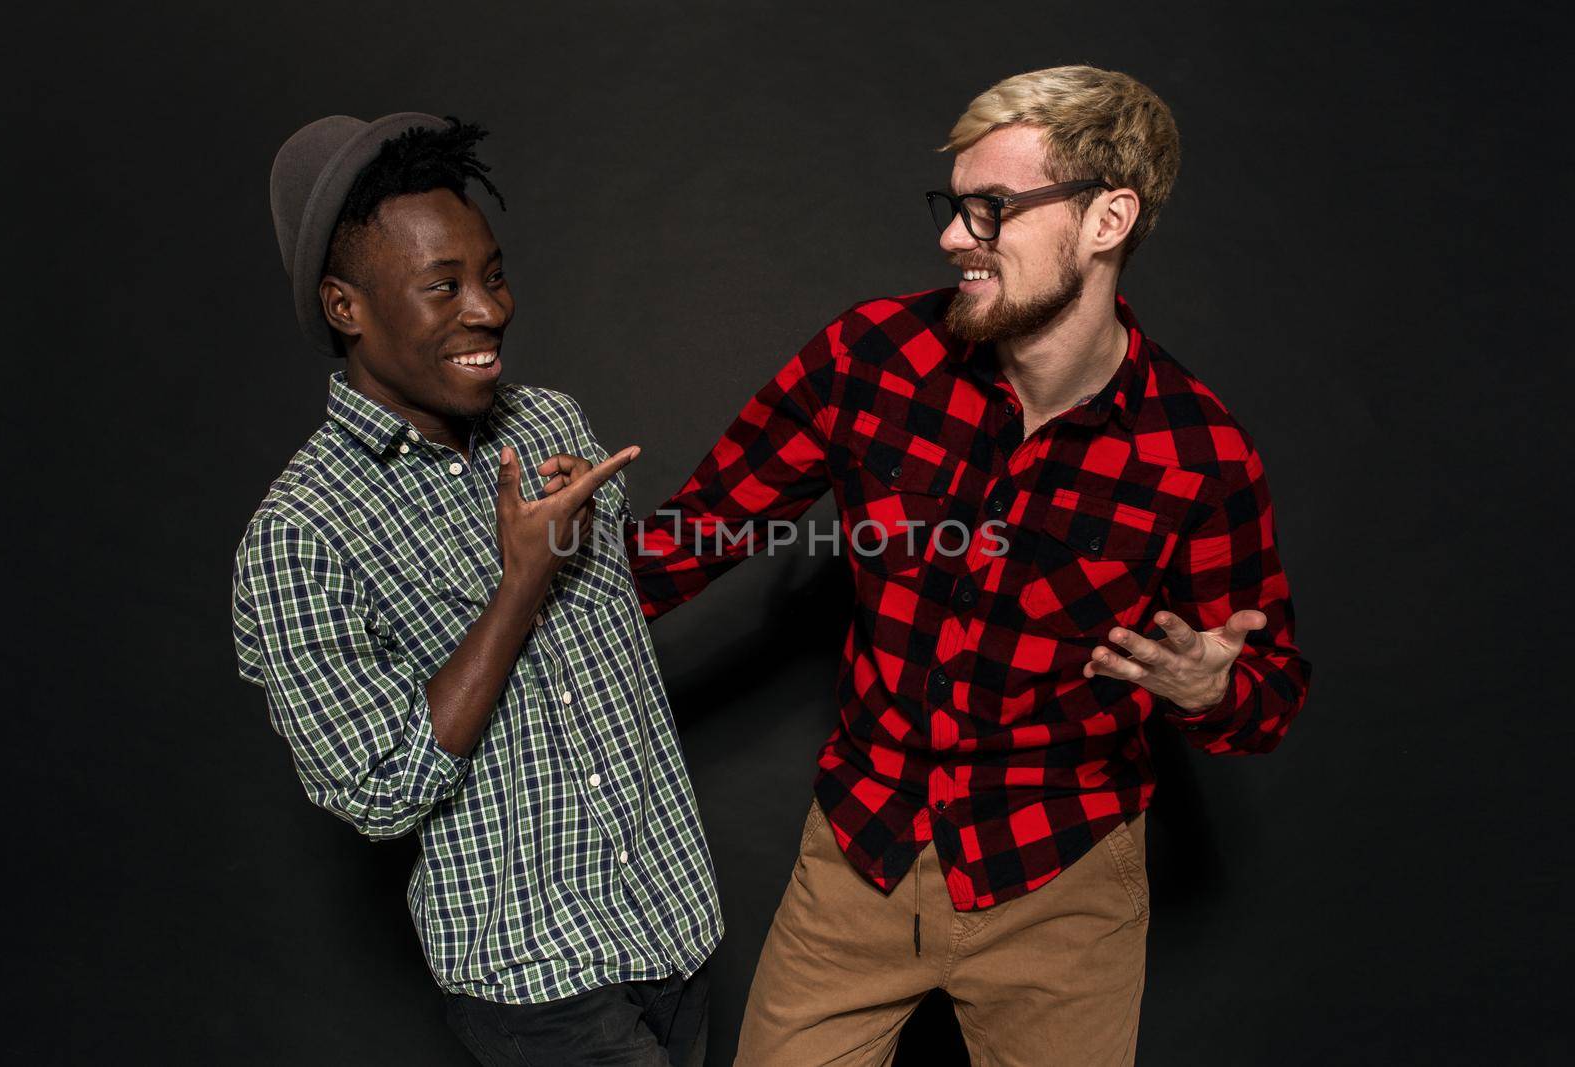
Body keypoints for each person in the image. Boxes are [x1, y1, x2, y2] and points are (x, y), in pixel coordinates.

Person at [619, 66, 1312, 1064]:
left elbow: (1269, 690)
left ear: (1107, 218)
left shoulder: (1198, 453)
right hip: (862, 848)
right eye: (953, 207)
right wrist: (516, 594)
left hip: (1061, 880)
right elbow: (697, 534)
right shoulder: (872, 357)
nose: (952, 237)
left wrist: (1211, 687)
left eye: (990, 209)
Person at [231, 113, 719, 1066]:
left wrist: (599, 546)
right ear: (347, 307)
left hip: (674, 921)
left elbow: (619, 635)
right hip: (536, 983)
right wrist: (520, 584)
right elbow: (377, 791)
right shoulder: (301, 534)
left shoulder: (549, 420)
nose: (488, 310)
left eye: (491, 275)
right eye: (441, 287)